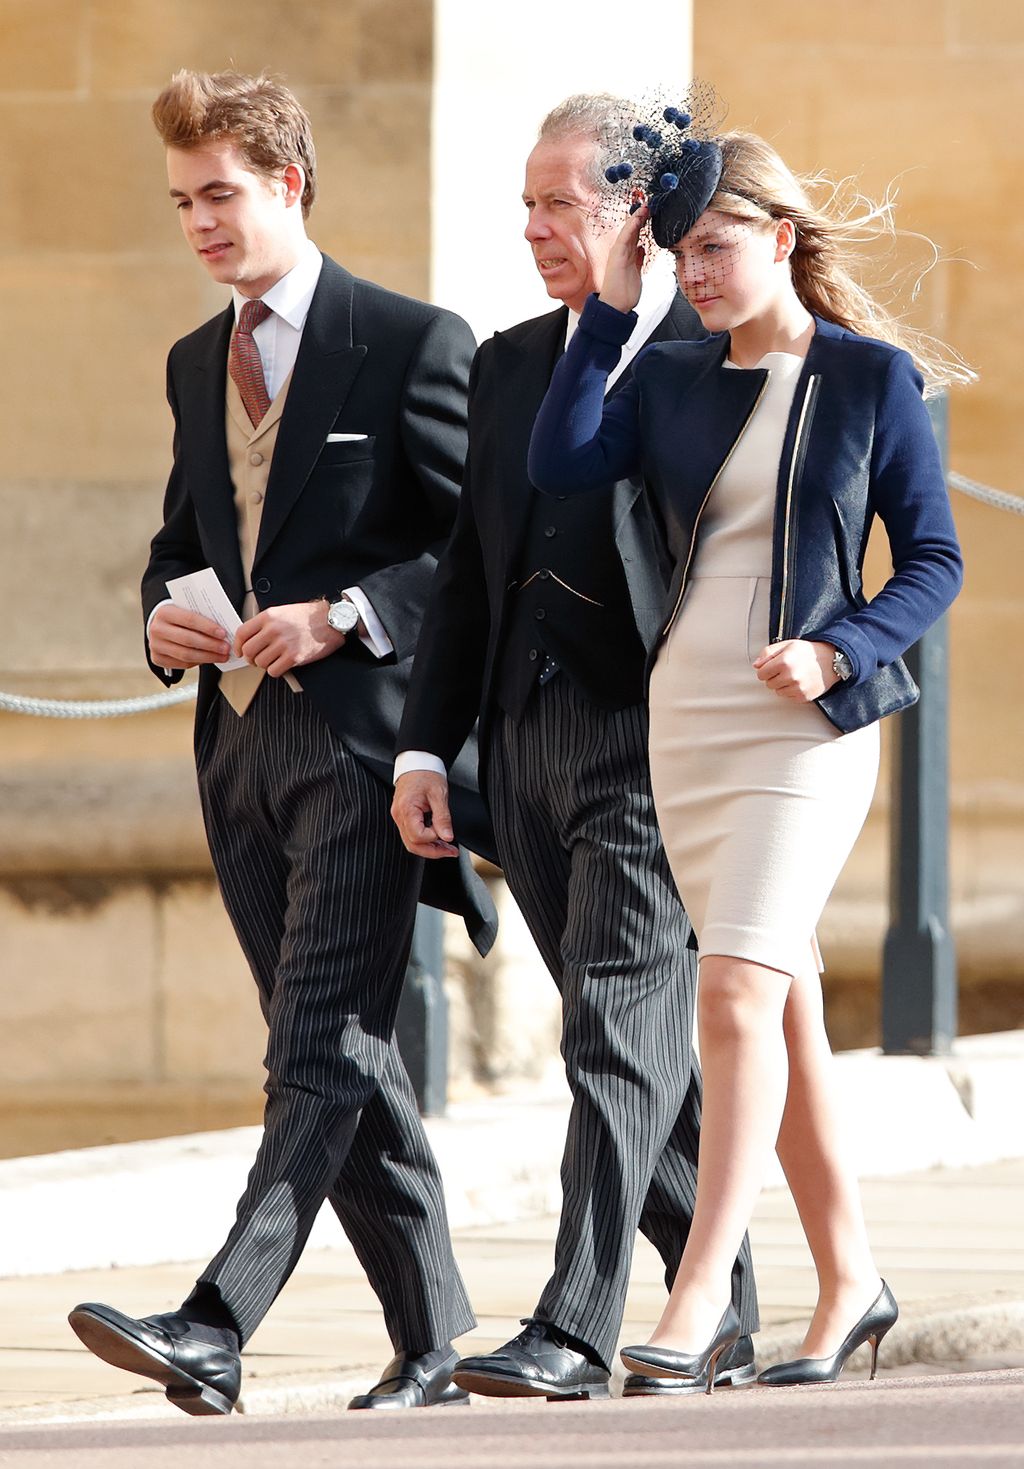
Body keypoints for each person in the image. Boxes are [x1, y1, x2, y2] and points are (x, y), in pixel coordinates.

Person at [68, 68, 498, 1417]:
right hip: (238, 757)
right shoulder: (197, 362)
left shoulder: (415, 340)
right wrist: (165, 623)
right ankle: (438, 1335)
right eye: (184, 200)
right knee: (340, 1048)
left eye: (222, 195)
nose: (199, 222)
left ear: (289, 184)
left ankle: (217, 1319)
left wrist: (349, 614)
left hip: (366, 746)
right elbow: (179, 545)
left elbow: (473, 551)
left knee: (315, 1040)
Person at [528, 104, 966, 1390]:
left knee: (728, 992)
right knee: (781, 1007)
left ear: (779, 236)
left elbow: (935, 559)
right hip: (690, 722)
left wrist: (840, 647)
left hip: (804, 729)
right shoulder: (665, 372)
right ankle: (849, 1282)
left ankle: (698, 1287)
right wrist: (607, 313)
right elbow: (562, 460)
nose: (696, 273)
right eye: (675, 255)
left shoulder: (868, 379)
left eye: (715, 245)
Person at [391, 94, 759, 1402]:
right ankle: (727, 1296)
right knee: (625, 1031)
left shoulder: (715, 353)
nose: (534, 225)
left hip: (651, 738)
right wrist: (425, 752)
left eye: (561, 203)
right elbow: (471, 582)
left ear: (631, 215)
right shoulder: (502, 365)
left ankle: (577, 1320)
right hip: (519, 742)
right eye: (529, 201)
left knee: (617, 1027)